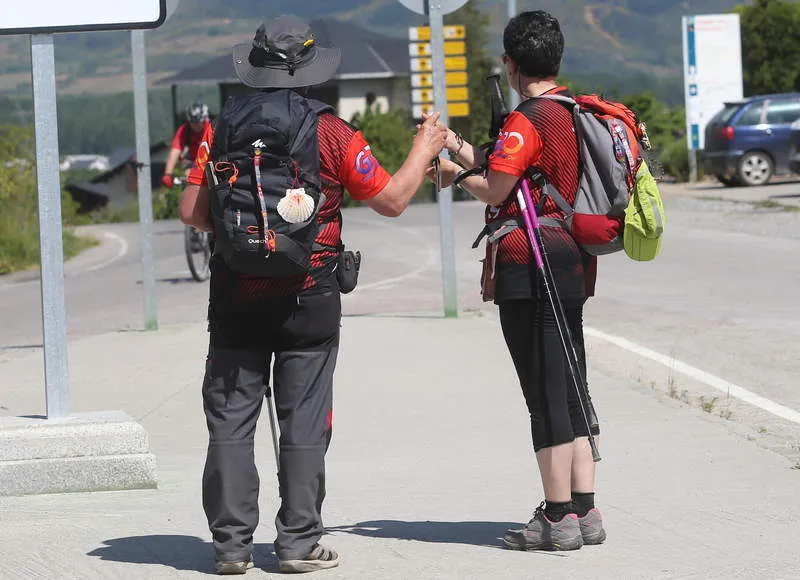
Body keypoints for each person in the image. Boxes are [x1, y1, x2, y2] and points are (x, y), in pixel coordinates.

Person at [179, 15, 447, 575]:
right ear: (306, 70)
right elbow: (393, 200)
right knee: (303, 421)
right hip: (309, 295)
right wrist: (424, 146)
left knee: (231, 422)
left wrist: (248, 239)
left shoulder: (220, 128)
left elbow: (193, 214)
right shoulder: (331, 131)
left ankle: (230, 547)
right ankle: (297, 544)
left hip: (235, 298)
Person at [432, 10, 605, 551]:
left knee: (545, 391)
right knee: (570, 381)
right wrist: (460, 145)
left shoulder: (527, 117)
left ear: (511, 64)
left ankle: (556, 520)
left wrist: (454, 174)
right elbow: (520, 169)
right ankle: (584, 508)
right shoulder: (570, 111)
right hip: (570, 256)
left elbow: (497, 187)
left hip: (530, 262)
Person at [161, 100, 212, 189]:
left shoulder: (211, 128)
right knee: (188, 174)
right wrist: (168, 174)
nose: (195, 125)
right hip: (194, 161)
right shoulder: (185, 130)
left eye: (198, 122)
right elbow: (175, 150)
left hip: (211, 161)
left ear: (204, 119)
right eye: (193, 122)